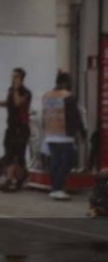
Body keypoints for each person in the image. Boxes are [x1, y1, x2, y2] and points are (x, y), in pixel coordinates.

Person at [0, 67, 32, 191]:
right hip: (11, 126)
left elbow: (18, 103)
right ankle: (9, 179)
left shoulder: (25, 92)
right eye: (12, 77)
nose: (13, 79)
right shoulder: (11, 91)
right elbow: (8, 103)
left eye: (16, 77)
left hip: (21, 127)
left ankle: (19, 178)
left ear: (21, 79)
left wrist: (16, 90)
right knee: (9, 153)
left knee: (19, 155)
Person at [41, 72, 87, 200]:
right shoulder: (68, 96)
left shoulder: (47, 96)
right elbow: (75, 116)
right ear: (65, 83)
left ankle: (55, 188)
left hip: (50, 134)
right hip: (64, 135)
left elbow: (44, 115)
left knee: (55, 162)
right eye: (69, 82)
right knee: (69, 161)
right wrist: (82, 131)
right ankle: (58, 188)